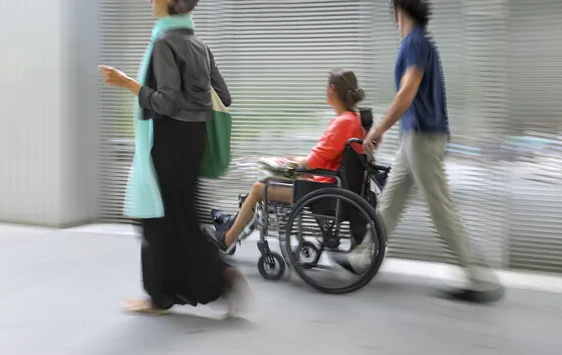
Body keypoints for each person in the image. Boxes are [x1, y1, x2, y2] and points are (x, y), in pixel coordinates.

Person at [98, 0, 250, 316]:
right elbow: (225, 96)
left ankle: (165, 295)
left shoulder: (164, 43)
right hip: (194, 141)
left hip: (169, 141)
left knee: (157, 222)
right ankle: (217, 278)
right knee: (182, 219)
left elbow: (166, 102)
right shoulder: (199, 44)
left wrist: (127, 83)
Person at [362, 0, 504, 303]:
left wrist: (378, 128)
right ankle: (362, 258)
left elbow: (408, 91)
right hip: (415, 136)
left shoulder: (415, 43)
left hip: (423, 137)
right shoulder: (420, 43)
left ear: (398, 10)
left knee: (440, 208)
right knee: (391, 202)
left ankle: (479, 278)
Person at [205, 69, 367, 253]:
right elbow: (325, 157)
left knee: (259, 188)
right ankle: (230, 223)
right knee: (269, 179)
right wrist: (291, 160)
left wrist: (288, 162)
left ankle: (227, 239)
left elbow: (312, 163)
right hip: (328, 185)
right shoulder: (355, 120)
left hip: (320, 189)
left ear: (332, 89)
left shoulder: (342, 122)